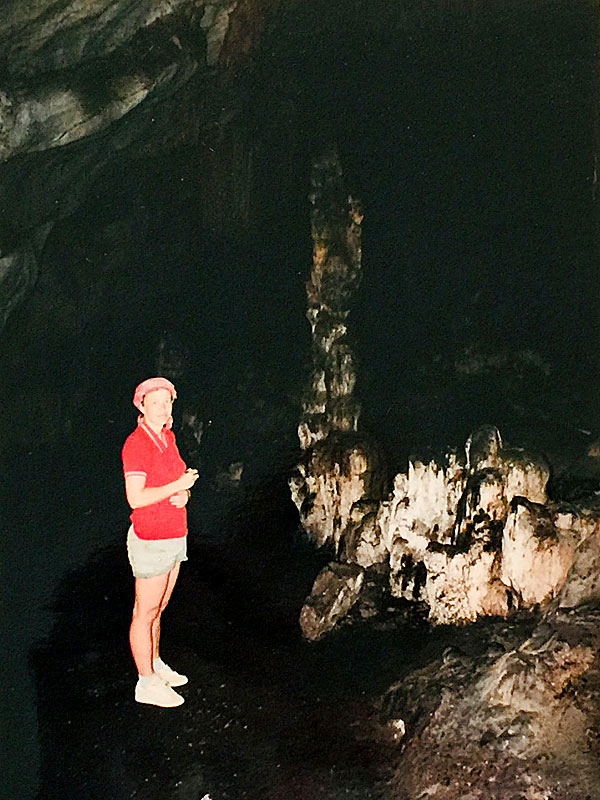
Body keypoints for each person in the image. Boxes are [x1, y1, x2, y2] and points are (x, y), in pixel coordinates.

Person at [122, 377, 198, 707]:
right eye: (155, 402)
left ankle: (154, 663)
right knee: (145, 612)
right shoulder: (136, 444)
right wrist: (177, 485)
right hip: (151, 538)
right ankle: (145, 682)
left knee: (159, 608)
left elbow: (172, 483)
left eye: (167, 402)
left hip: (173, 534)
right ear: (142, 406)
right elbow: (135, 498)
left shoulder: (167, 438)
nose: (163, 407)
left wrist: (184, 493)